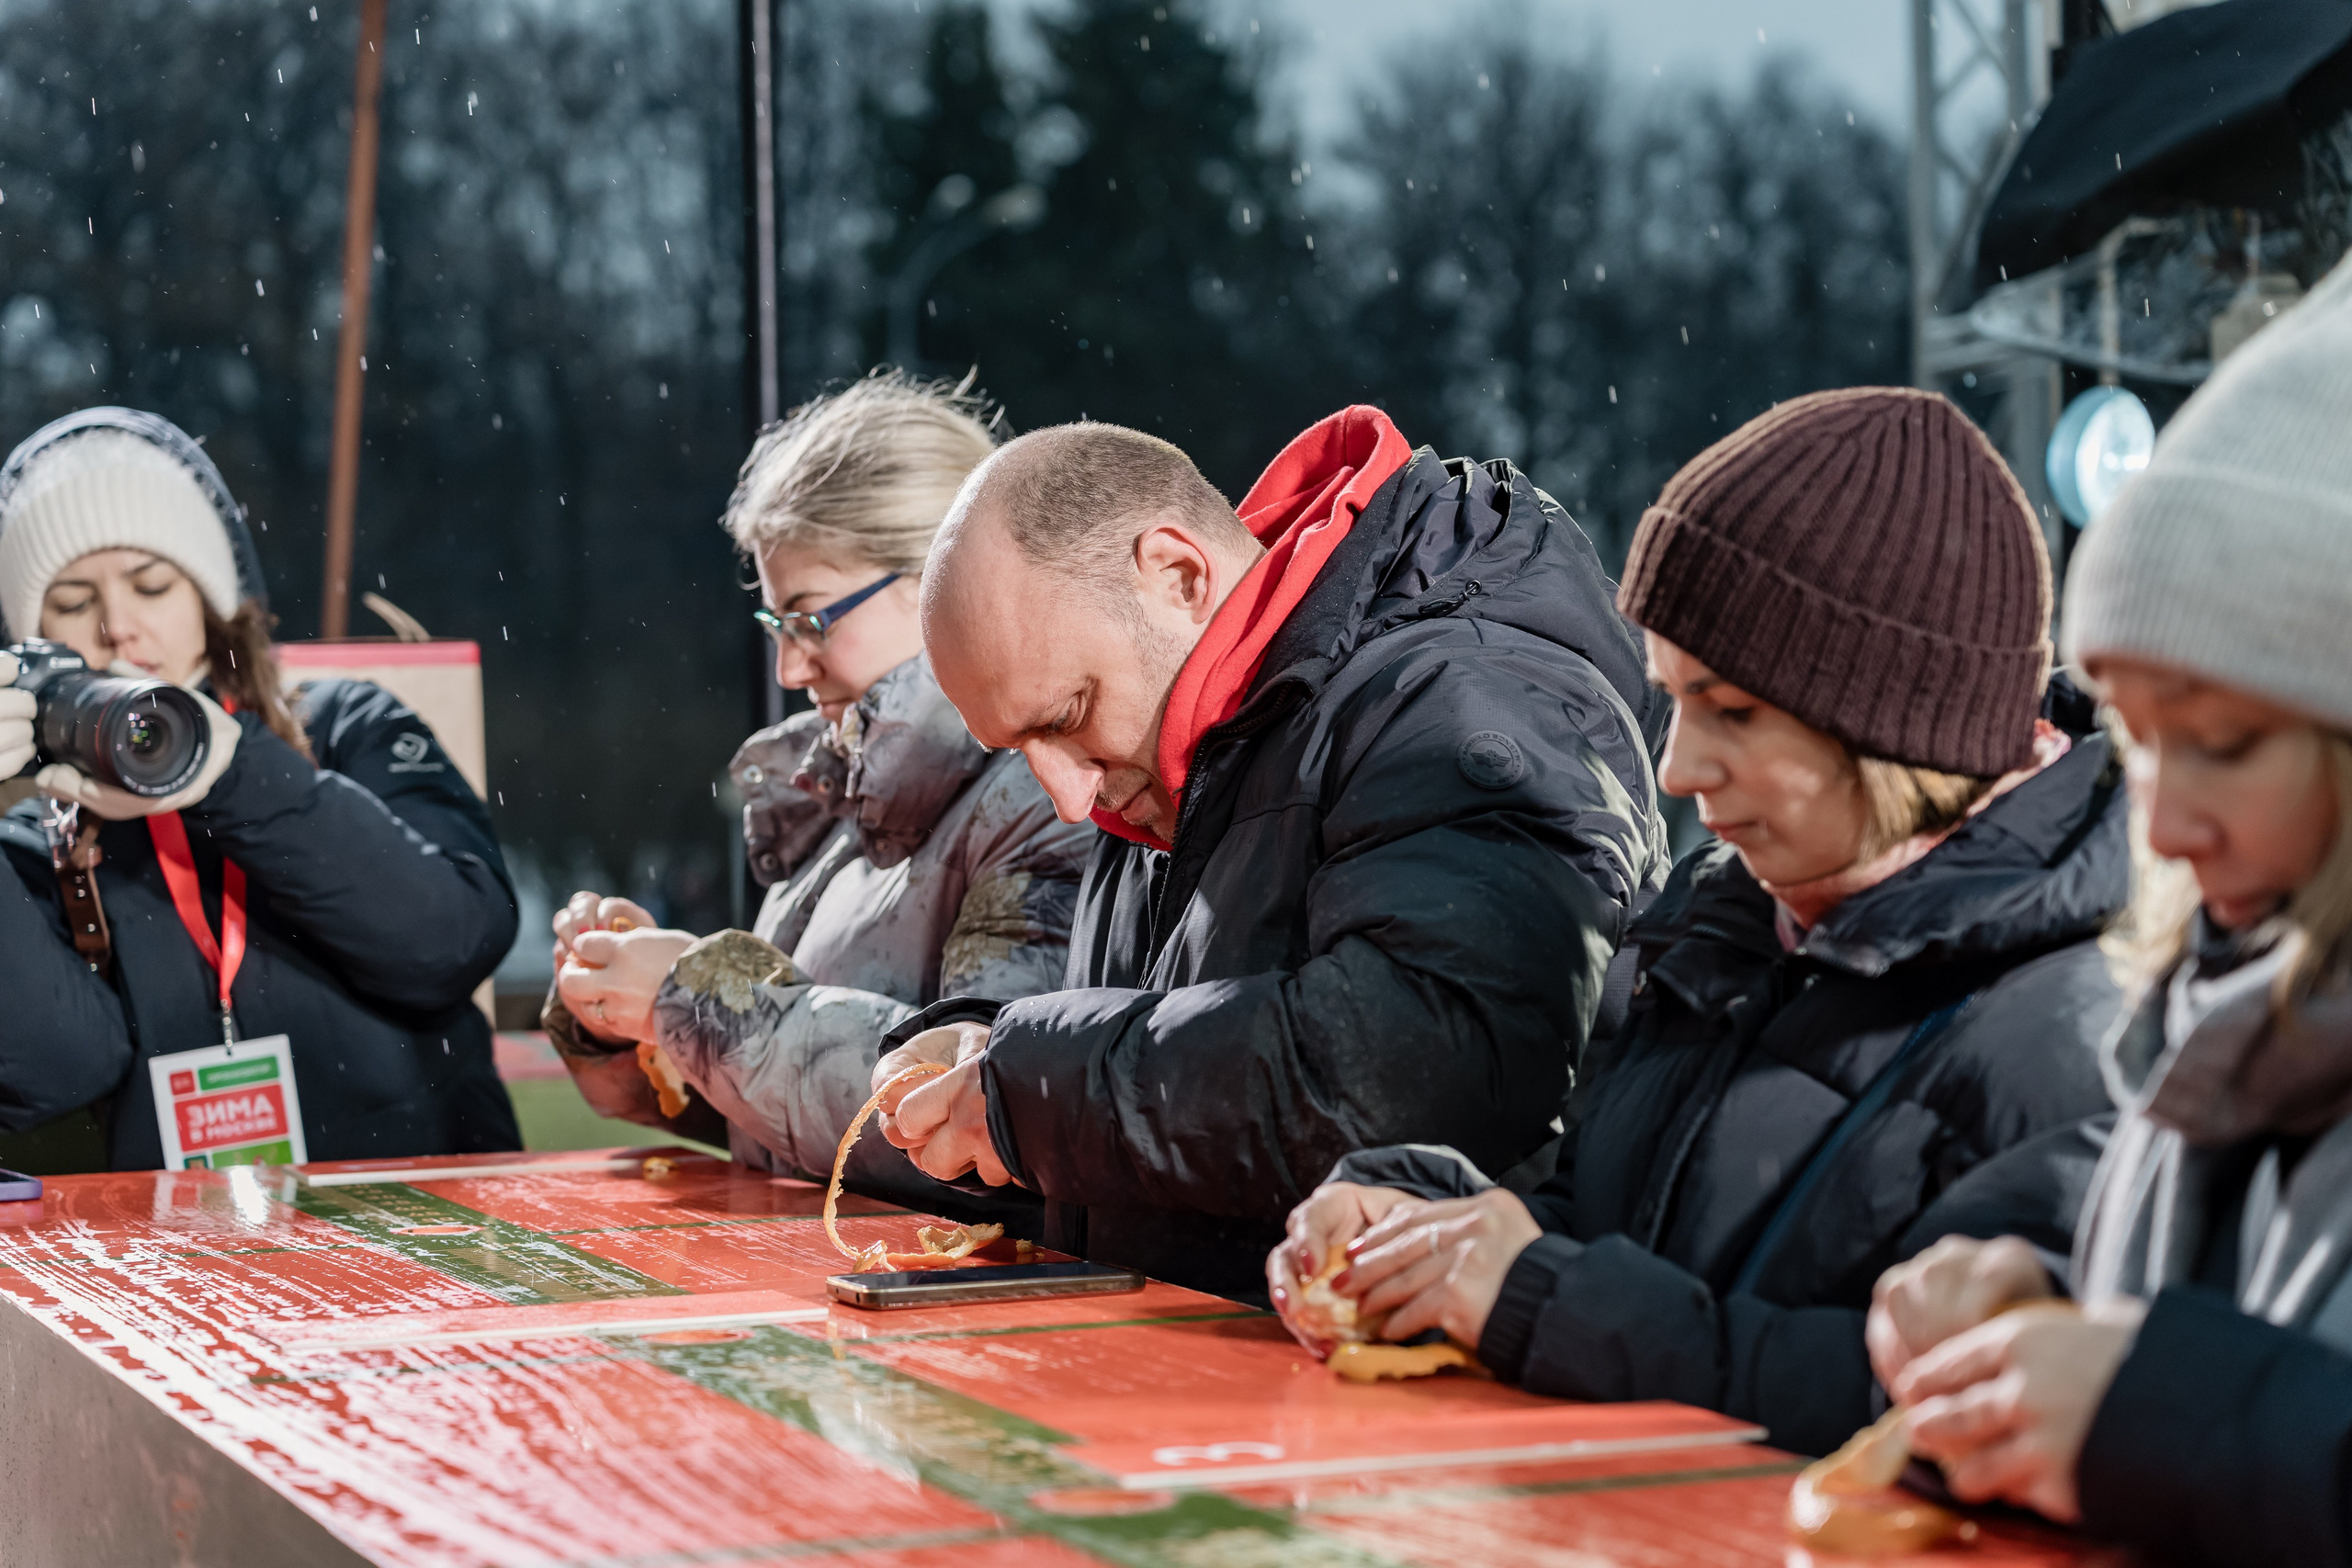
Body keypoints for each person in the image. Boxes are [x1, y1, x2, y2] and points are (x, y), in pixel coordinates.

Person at [1267, 388, 2130, 1455]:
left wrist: (1538, 1302)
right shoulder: (1718, 921)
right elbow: (1599, 1220)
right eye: (1672, 699)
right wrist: (1423, 1222)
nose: (1678, 769)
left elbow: (1949, 1419)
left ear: (1892, 720)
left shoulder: (2084, 1032)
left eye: (1734, 710)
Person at [872, 404, 1673, 1298]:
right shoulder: (1177, 760)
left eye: (1067, 717)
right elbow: (1167, 1069)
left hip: (1406, 1408)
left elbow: (1415, 1075)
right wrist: (986, 1056)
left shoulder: (1460, 698)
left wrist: (1031, 1093)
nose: (1066, 795)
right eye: (1020, 747)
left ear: (1177, 574)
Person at [1867, 259, 2352, 1566]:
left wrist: (2149, 1405)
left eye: (2229, 741)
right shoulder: (2210, 1008)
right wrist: (2051, 1324)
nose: (2168, 826)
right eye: (2139, 744)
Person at [543, 373, 1091, 1215]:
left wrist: (694, 995)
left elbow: (980, 1116)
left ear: (942, 574)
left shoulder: (1044, 794)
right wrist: (634, 1016)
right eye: (776, 626)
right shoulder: (850, 805)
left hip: (952, 1314)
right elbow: (784, 1118)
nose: (789, 668)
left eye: (810, 618)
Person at [0, 407, 519, 1169]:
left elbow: (452, 939)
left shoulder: (342, 726)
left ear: (209, 599)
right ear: (29, 633)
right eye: (74, 601)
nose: (118, 626)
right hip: (175, 1260)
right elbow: (52, 1069)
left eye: (151, 584)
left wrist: (230, 772)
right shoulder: (34, 821)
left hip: (416, 1228)